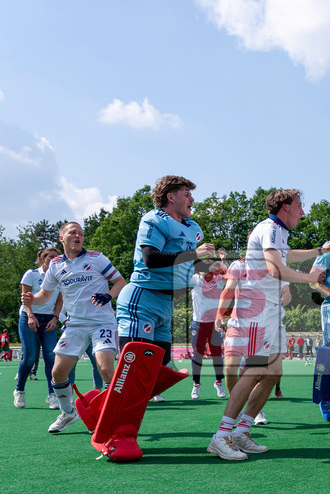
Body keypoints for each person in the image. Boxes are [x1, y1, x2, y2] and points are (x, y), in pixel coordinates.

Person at [209, 189, 326, 461]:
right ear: (285, 206)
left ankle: (242, 432)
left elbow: (287, 256)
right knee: (255, 371)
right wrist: (310, 277)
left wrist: (321, 250)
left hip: (271, 311)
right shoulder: (270, 228)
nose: (303, 211)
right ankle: (221, 436)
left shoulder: (279, 232)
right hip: (257, 312)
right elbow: (276, 269)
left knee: (273, 373)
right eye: (299, 205)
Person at [115, 175, 222, 395]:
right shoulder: (154, 219)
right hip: (142, 299)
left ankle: (125, 409)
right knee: (135, 368)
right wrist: (194, 254)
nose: (192, 199)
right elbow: (151, 258)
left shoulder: (191, 227)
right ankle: (108, 409)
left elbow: (186, 262)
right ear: (170, 197)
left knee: (159, 368)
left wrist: (210, 267)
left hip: (165, 305)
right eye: (187, 194)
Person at [22, 222, 126, 433]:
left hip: (102, 323)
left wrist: (109, 295)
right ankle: (68, 413)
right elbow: (45, 295)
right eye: (73, 232)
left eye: (81, 233)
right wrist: (32, 299)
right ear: (62, 238)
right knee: (58, 372)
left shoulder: (97, 258)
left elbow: (120, 282)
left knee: (106, 368)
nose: (78, 236)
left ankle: (113, 416)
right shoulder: (55, 264)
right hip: (75, 325)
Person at [14, 247, 62, 409]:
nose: (55, 260)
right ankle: (19, 390)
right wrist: (30, 316)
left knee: (50, 356)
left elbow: (60, 300)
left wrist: (55, 318)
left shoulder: (60, 276)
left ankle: (52, 395)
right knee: (30, 357)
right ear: (42, 259)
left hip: (49, 319)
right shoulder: (31, 274)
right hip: (29, 317)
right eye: (51, 257)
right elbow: (25, 299)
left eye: (57, 257)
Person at [188, 260, 228, 399]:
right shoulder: (194, 279)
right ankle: (196, 384)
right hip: (198, 324)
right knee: (197, 355)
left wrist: (224, 261)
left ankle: (218, 382)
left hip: (215, 323)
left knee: (217, 354)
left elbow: (231, 275)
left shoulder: (219, 279)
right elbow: (180, 275)